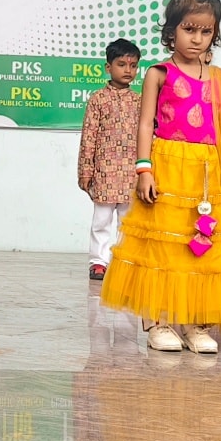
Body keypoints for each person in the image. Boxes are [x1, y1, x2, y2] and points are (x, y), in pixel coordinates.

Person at [100, 0, 221, 354]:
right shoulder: (159, 73)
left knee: (201, 245)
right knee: (162, 246)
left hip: (206, 175)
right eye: (189, 29)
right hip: (166, 167)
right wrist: (144, 170)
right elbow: (145, 124)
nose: (197, 39)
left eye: (206, 32)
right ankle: (158, 321)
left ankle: (197, 323)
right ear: (171, 31)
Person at [79, 37, 142, 282]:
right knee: (101, 220)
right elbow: (88, 137)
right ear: (108, 67)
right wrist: (86, 171)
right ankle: (99, 262)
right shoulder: (98, 99)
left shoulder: (139, 100)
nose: (128, 70)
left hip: (131, 172)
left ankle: (124, 261)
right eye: (121, 64)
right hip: (104, 172)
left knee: (128, 221)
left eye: (133, 65)